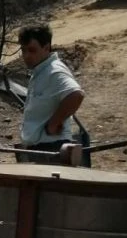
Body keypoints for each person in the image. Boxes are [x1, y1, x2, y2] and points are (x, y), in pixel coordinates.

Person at [17, 24, 85, 160]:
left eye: (32, 50)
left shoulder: (54, 71)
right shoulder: (39, 72)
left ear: (46, 48)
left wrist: (54, 124)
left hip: (52, 149)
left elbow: (76, 95)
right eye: (23, 50)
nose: (26, 55)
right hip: (39, 149)